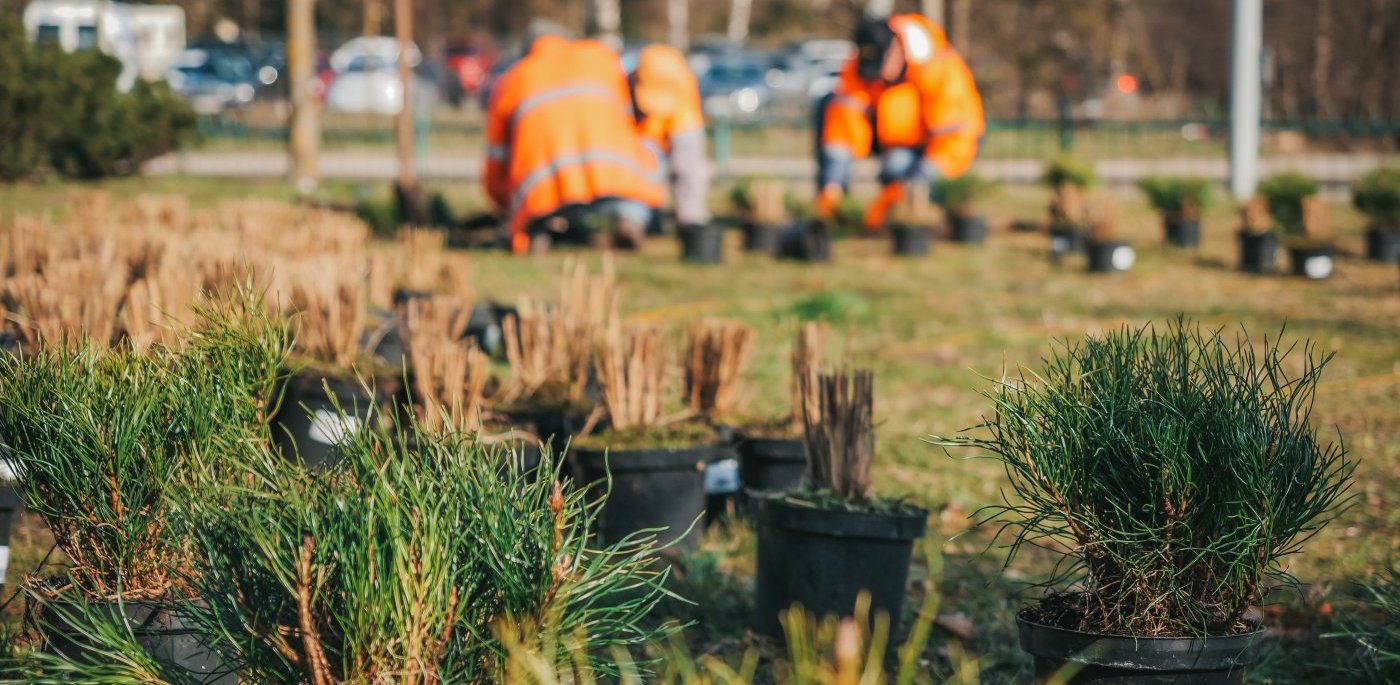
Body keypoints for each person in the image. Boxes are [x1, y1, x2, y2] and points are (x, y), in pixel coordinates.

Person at [484, 22, 664, 253]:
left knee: (539, 210)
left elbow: (497, 157)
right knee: (647, 154)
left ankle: (538, 230)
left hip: (545, 188)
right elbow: (630, 120)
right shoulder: (600, 57)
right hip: (616, 177)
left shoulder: (514, 78)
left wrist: (504, 205)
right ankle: (630, 221)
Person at [815, 14, 985, 232]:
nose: (878, 76)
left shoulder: (940, 69)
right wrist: (833, 183)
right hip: (898, 143)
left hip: (947, 148)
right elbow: (843, 123)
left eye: (881, 65)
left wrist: (911, 185)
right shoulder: (860, 63)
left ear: (896, 48)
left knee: (914, 181)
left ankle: (922, 215)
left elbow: (953, 143)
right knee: (894, 163)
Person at [629, 44, 711, 232]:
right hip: (650, 128)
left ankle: (691, 222)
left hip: (683, 125)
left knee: (688, 171)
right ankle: (648, 217)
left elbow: (688, 170)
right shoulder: (639, 81)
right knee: (648, 170)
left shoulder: (684, 92)